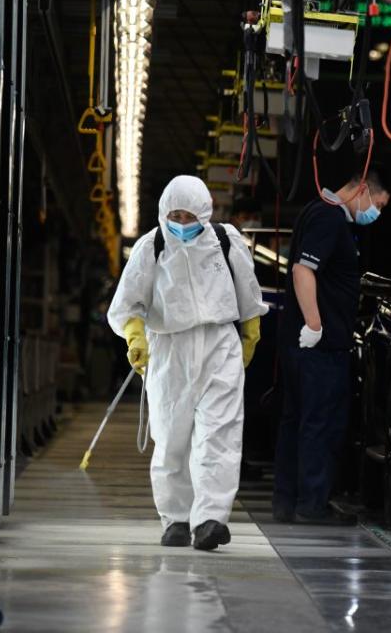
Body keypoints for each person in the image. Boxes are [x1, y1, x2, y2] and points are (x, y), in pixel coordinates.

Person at [108, 175, 268, 551]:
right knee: (170, 438)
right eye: (175, 213)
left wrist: (250, 335)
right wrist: (135, 337)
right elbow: (128, 303)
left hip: (219, 346)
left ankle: (210, 519)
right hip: (169, 349)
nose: (181, 221)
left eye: (189, 214)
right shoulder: (152, 246)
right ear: (164, 211)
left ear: (205, 212)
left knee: (219, 434)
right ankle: (175, 519)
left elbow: (249, 296)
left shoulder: (227, 241)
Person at [273, 168, 391, 525]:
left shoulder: (315, 209)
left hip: (300, 346)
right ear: (363, 190)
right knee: (320, 424)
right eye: (379, 204)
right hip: (318, 347)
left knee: (296, 421)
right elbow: (302, 270)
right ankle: (311, 505)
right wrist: (315, 323)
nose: (377, 213)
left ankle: (288, 501)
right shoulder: (329, 218)